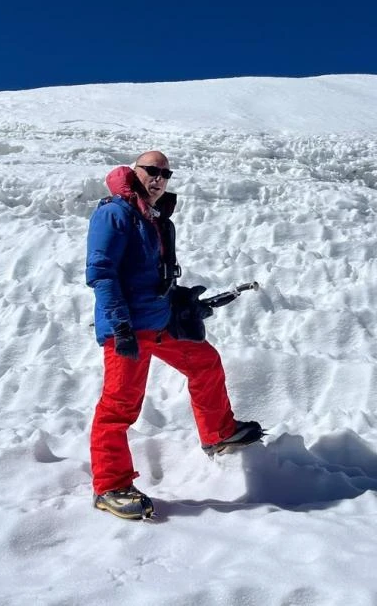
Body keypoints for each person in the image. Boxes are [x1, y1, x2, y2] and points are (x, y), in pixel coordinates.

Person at [85, 151, 263, 520]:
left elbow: (150, 275)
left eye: (166, 174)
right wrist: (120, 326)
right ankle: (110, 486)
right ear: (135, 171)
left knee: (205, 363)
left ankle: (218, 432)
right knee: (119, 407)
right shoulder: (114, 213)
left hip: (159, 322)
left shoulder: (152, 216)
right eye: (152, 171)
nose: (159, 179)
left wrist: (182, 302)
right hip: (127, 329)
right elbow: (102, 272)